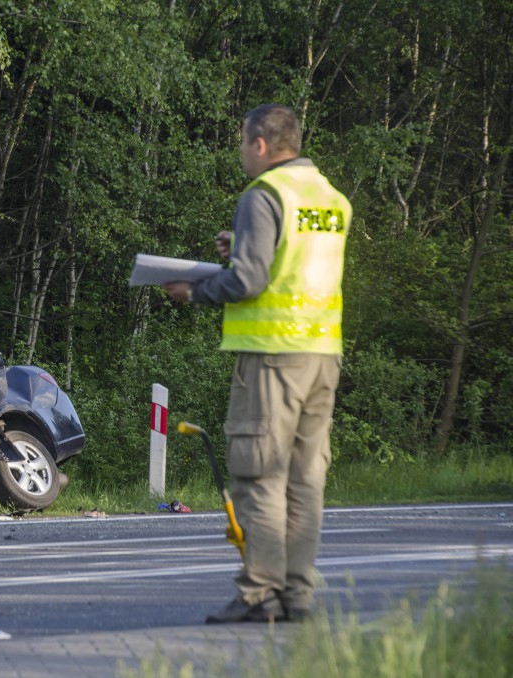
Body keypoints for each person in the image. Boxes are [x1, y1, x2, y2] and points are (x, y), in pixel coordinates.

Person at [163, 103, 351, 623]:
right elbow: (293, 262)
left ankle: (260, 593)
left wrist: (193, 290)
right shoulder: (330, 198)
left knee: (260, 475)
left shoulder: (264, 194)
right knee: (305, 480)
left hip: (273, 357)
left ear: (262, 144)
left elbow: (249, 282)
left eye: (243, 142)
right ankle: (297, 596)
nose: (242, 151)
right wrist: (241, 246)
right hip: (322, 354)